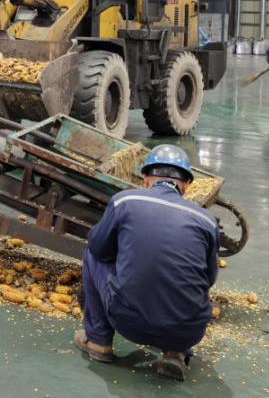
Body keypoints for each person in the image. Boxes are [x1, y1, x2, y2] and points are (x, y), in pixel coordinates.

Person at [73, 145, 220, 382]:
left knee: (92, 252)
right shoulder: (207, 220)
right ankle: (175, 353)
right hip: (188, 331)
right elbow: (209, 279)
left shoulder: (125, 200)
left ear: (146, 178)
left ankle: (99, 342)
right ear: (186, 185)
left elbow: (100, 248)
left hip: (128, 322)